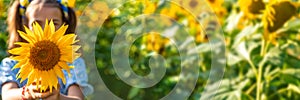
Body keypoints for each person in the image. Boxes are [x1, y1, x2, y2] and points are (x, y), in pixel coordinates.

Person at [0, 0, 93, 99]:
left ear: (64, 26)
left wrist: (58, 97)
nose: (46, 29)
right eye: (37, 24)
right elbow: (7, 95)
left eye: (54, 23)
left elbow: (77, 98)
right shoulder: (11, 64)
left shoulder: (73, 64)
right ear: (25, 27)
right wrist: (27, 93)